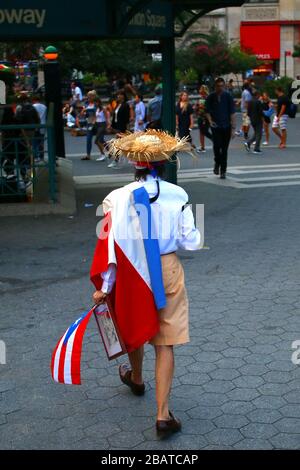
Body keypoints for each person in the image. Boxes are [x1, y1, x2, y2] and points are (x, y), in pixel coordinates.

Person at [90, 130, 201, 438]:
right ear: (165, 162)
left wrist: (105, 287)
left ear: (133, 163)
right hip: (167, 269)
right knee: (164, 341)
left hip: (131, 271)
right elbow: (192, 243)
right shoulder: (178, 196)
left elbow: (110, 245)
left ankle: (137, 378)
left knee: (135, 320)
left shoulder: (116, 198)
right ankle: (163, 416)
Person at [205, 77, 236, 179]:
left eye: (222, 86)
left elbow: (232, 113)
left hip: (226, 126)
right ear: (215, 86)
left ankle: (223, 170)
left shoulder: (228, 96)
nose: (220, 88)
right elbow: (207, 111)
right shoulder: (211, 97)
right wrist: (210, 121)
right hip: (216, 126)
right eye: (218, 86)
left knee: (225, 149)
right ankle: (217, 162)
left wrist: (233, 129)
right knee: (217, 146)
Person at [107, 91, 130, 168]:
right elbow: (115, 116)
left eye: (120, 95)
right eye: (118, 95)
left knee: (117, 145)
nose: (118, 96)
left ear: (123, 96)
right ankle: (132, 158)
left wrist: (125, 128)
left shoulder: (125, 105)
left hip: (122, 127)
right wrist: (112, 125)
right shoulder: (117, 105)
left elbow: (127, 117)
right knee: (121, 145)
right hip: (117, 127)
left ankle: (115, 161)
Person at [244, 89, 264, 155]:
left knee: (256, 133)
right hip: (258, 120)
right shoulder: (258, 102)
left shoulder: (250, 102)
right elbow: (260, 112)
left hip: (252, 119)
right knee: (259, 134)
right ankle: (256, 149)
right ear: (257, 95)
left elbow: (248, 112)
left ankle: (248, 143)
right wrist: (263, 118)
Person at [81, 90, 97, 161]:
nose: (88, 97)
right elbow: (83, 113)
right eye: (88, 96)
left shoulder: (97, 104)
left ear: (94, 97)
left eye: (90, 96)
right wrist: (83, 112)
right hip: (89, 123)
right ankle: (88, 155)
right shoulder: (86, 103)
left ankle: (110, 151)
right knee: (88, 139)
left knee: (100, 140)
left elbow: (99, 113)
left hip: (97, 123)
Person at [196, 85, 212, 153]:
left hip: (206, 117)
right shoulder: (200, 99)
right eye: (201, 91)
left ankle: (215, 140)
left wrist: (202, 107)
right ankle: (202, 147)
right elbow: (198, 108)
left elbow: (209, 108)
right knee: (201, 132)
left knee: (204, 132)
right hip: (200, 117)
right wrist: (197, 107)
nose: (201, 93)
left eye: (203, 91)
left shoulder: (208, 99)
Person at [32, 96, 47, 162]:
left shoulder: (33, 106)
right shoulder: (44, 107)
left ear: (34, 100)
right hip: (43, 125)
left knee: (34, 142)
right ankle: (41, 157)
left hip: (35, 125)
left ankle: (35, 157)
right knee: (41, 141)